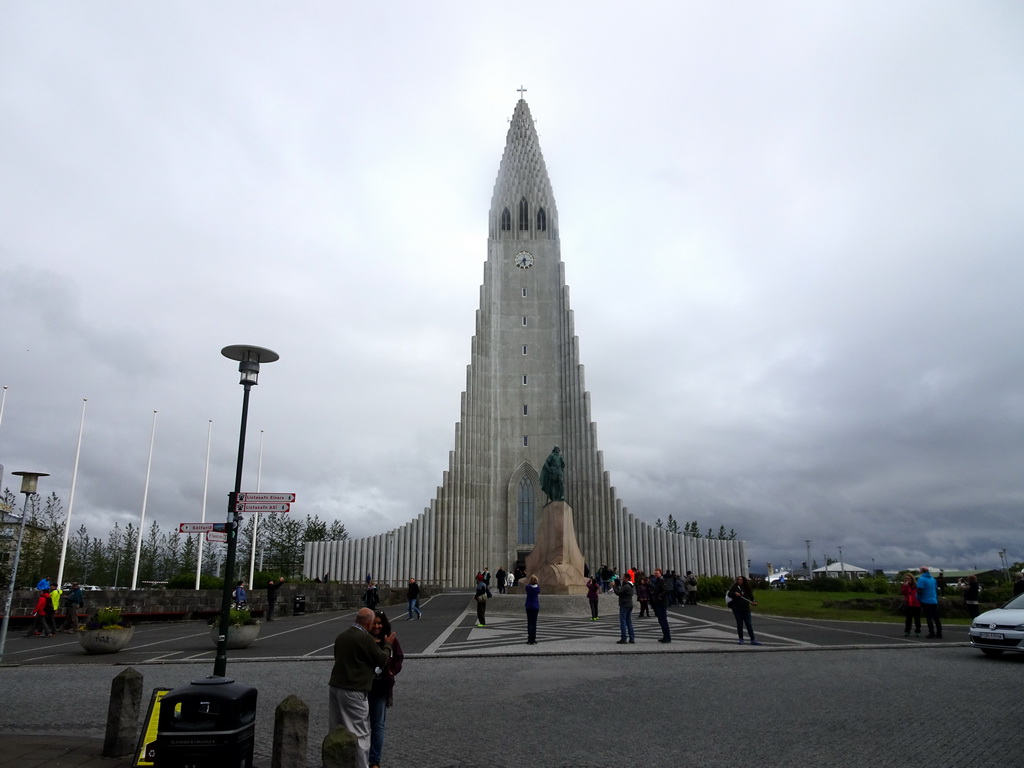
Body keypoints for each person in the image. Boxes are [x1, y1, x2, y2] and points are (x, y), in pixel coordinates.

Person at [328, 607, 395, 768]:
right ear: (369, 623)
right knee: (360, 733)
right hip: (354, 689)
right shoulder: (364, 638)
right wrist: (388, 645)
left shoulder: (342, 636)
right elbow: (381, 659)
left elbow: (338, 657)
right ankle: (362, 765)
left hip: (335, 687)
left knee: (337, 727)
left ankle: (336, 762)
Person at [368, 610, 404, 768]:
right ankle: (361, 756)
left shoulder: (389, 639)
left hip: (381, 687)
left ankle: (374, 760)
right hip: (363, 687)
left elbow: (398, 657)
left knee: (378, 726)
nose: (377, 626)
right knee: (360, 725)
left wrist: (392, 670)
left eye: (379, 623)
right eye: (374, 623)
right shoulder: (365, 639)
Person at [727, 576, 761, 645]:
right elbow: (729, 594)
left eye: (741, 580)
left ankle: (753, 639)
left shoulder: (747, 589)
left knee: (748, 624)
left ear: (744, 581)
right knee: (740, 624)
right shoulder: (735, 587)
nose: (739, 581)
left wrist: (754, 602)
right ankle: (741, 639)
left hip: (746, 609)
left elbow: (751, 598)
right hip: (737, 609)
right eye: (738, 580)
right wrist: (735, 593)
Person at [916, 567, 942, 639]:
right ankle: (939, 633)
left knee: (929, 617)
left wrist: (918, 598)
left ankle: (931, 633)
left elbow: (920, 590)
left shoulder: (921, 579)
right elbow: (936, 589)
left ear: (922, 571)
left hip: (925, 600)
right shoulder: (933, 579)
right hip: (934, 600)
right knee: (936, 617)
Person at [612, 573, 635, 644]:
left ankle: (624, 638)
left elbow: (618, 592)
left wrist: (614, 586)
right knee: (629, 622)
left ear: (627, 578)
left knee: (623, 622)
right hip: (629, 604)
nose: (622, 578)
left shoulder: (626, 586)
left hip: (624, 604)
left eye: (624, 577)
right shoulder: (631, 585)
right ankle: (632, 638)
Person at [651, 568, 672, 643]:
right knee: (661, 620)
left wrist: (660, 596)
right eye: (655, 573)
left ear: (660, 573)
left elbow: (666, 590)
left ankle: (667, 637)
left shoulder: (662, 581)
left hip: (662, 603)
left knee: (663, 620)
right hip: (658, 603)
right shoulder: (658, 581)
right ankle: (665, 636)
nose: (655, 574)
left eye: (656, 573)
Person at [900, 572, 921, 637]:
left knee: (917, 619)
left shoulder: (916, 585)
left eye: (908, 578)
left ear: (912, 579)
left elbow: (920, 593)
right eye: (906, 579)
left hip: (916, 604)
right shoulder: (905, 586)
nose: (907, 580)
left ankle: (918, 631)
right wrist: (905, 586)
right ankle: (907, 631)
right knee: (908, 619)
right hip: (908, 604)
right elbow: (903, 592)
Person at [525, 574, 540, 644]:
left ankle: (529, 638)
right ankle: (533, 638)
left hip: (528, 606)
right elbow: (538, 590)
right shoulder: (538, 588)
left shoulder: (527, 587)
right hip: (535, 606)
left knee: (529, 622)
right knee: (534, 623)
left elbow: (527, 588)